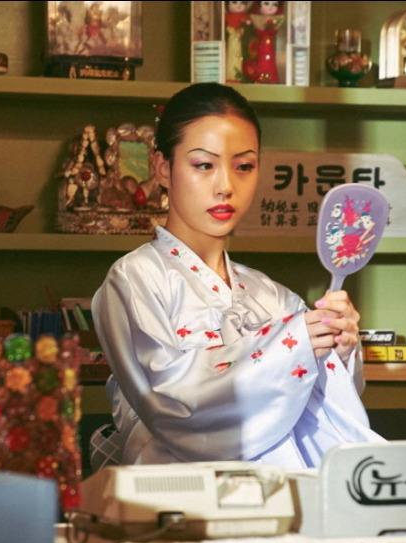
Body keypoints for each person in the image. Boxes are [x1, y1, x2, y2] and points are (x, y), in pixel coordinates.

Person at [90, 82, 384, 469]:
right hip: (176, 488)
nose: (226, 186)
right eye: (204, 165)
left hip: (282, 489)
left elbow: (324, 410)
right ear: (163, 168)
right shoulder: (135, 279)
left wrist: (339, 348)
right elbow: (168, 401)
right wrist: (290, 345)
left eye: (243, 166)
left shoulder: (274, 296)